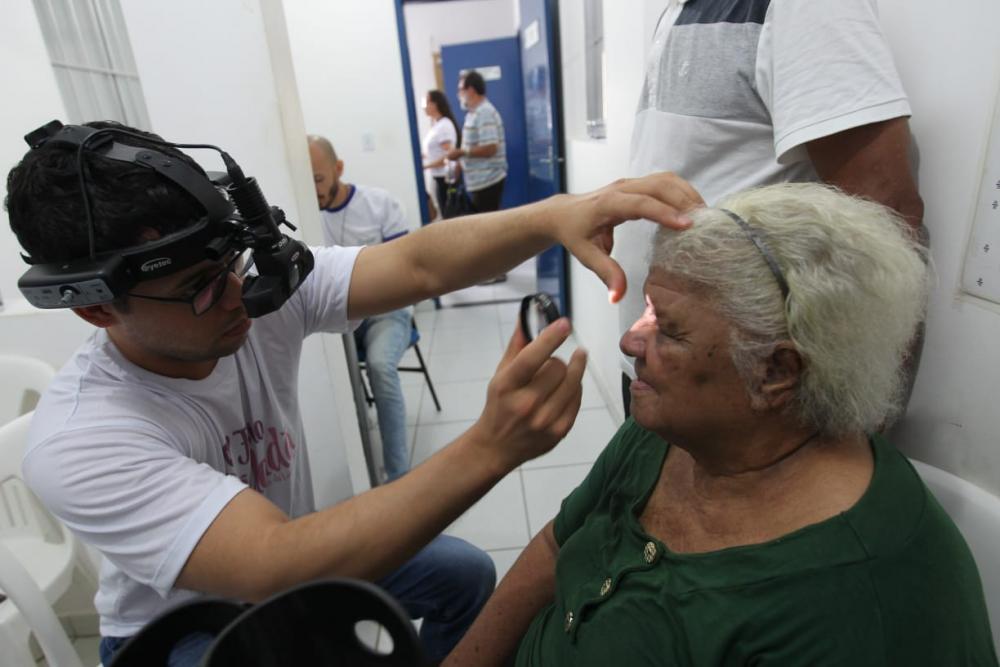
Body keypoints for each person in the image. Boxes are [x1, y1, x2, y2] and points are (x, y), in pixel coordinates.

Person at [5, 120, 700, 667]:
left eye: (236, 262)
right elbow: (276, 565)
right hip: (180, 630)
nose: (240, 295)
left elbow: (418, 262)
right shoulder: (79, 437)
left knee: (458, 574)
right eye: (200, 287)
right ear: (97, 309)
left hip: (278, 571)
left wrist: (556, 213)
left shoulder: (243, 295)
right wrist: (491, 445)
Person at [445, 183, 998, 666]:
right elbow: (555, 545)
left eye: (670, 330)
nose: (630, 342)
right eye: (647, 312)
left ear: (776, 371)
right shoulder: (668, 431)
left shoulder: (864, 599)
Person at [615, 0, 926, 415]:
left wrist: (854, 424)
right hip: (660, 369)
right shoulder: (678, 9)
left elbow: (882, 222)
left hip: (740, 398)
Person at [308, 134, 415, 482]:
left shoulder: (379, 204)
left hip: (386, 311)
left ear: (338, 168)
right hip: (335, 317)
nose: (313, 189)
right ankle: (353, 452)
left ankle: (397, 479)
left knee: (381, 368)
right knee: (326, 373)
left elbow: (407, 272)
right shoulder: (303, 214)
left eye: (319, 179)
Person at [446, 70, 507, 214]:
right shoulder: (472, 113)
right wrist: (459, 166)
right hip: (478, 182)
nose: (458, 94)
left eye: (460, 89)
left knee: (487, 231)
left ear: (471, 90)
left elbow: (491, 148)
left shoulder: (484, 112)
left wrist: (461, 152)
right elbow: (469, 145)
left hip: (488, 181)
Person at [421, 89, 459, 216]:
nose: (424, 107)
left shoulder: (444, 126)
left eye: (426, 103)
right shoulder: (436, 126)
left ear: (435, 104)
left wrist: (426, 166)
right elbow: (435, 152)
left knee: (449, 216)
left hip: (445, 179)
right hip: (438, 178)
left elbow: (449, 155)